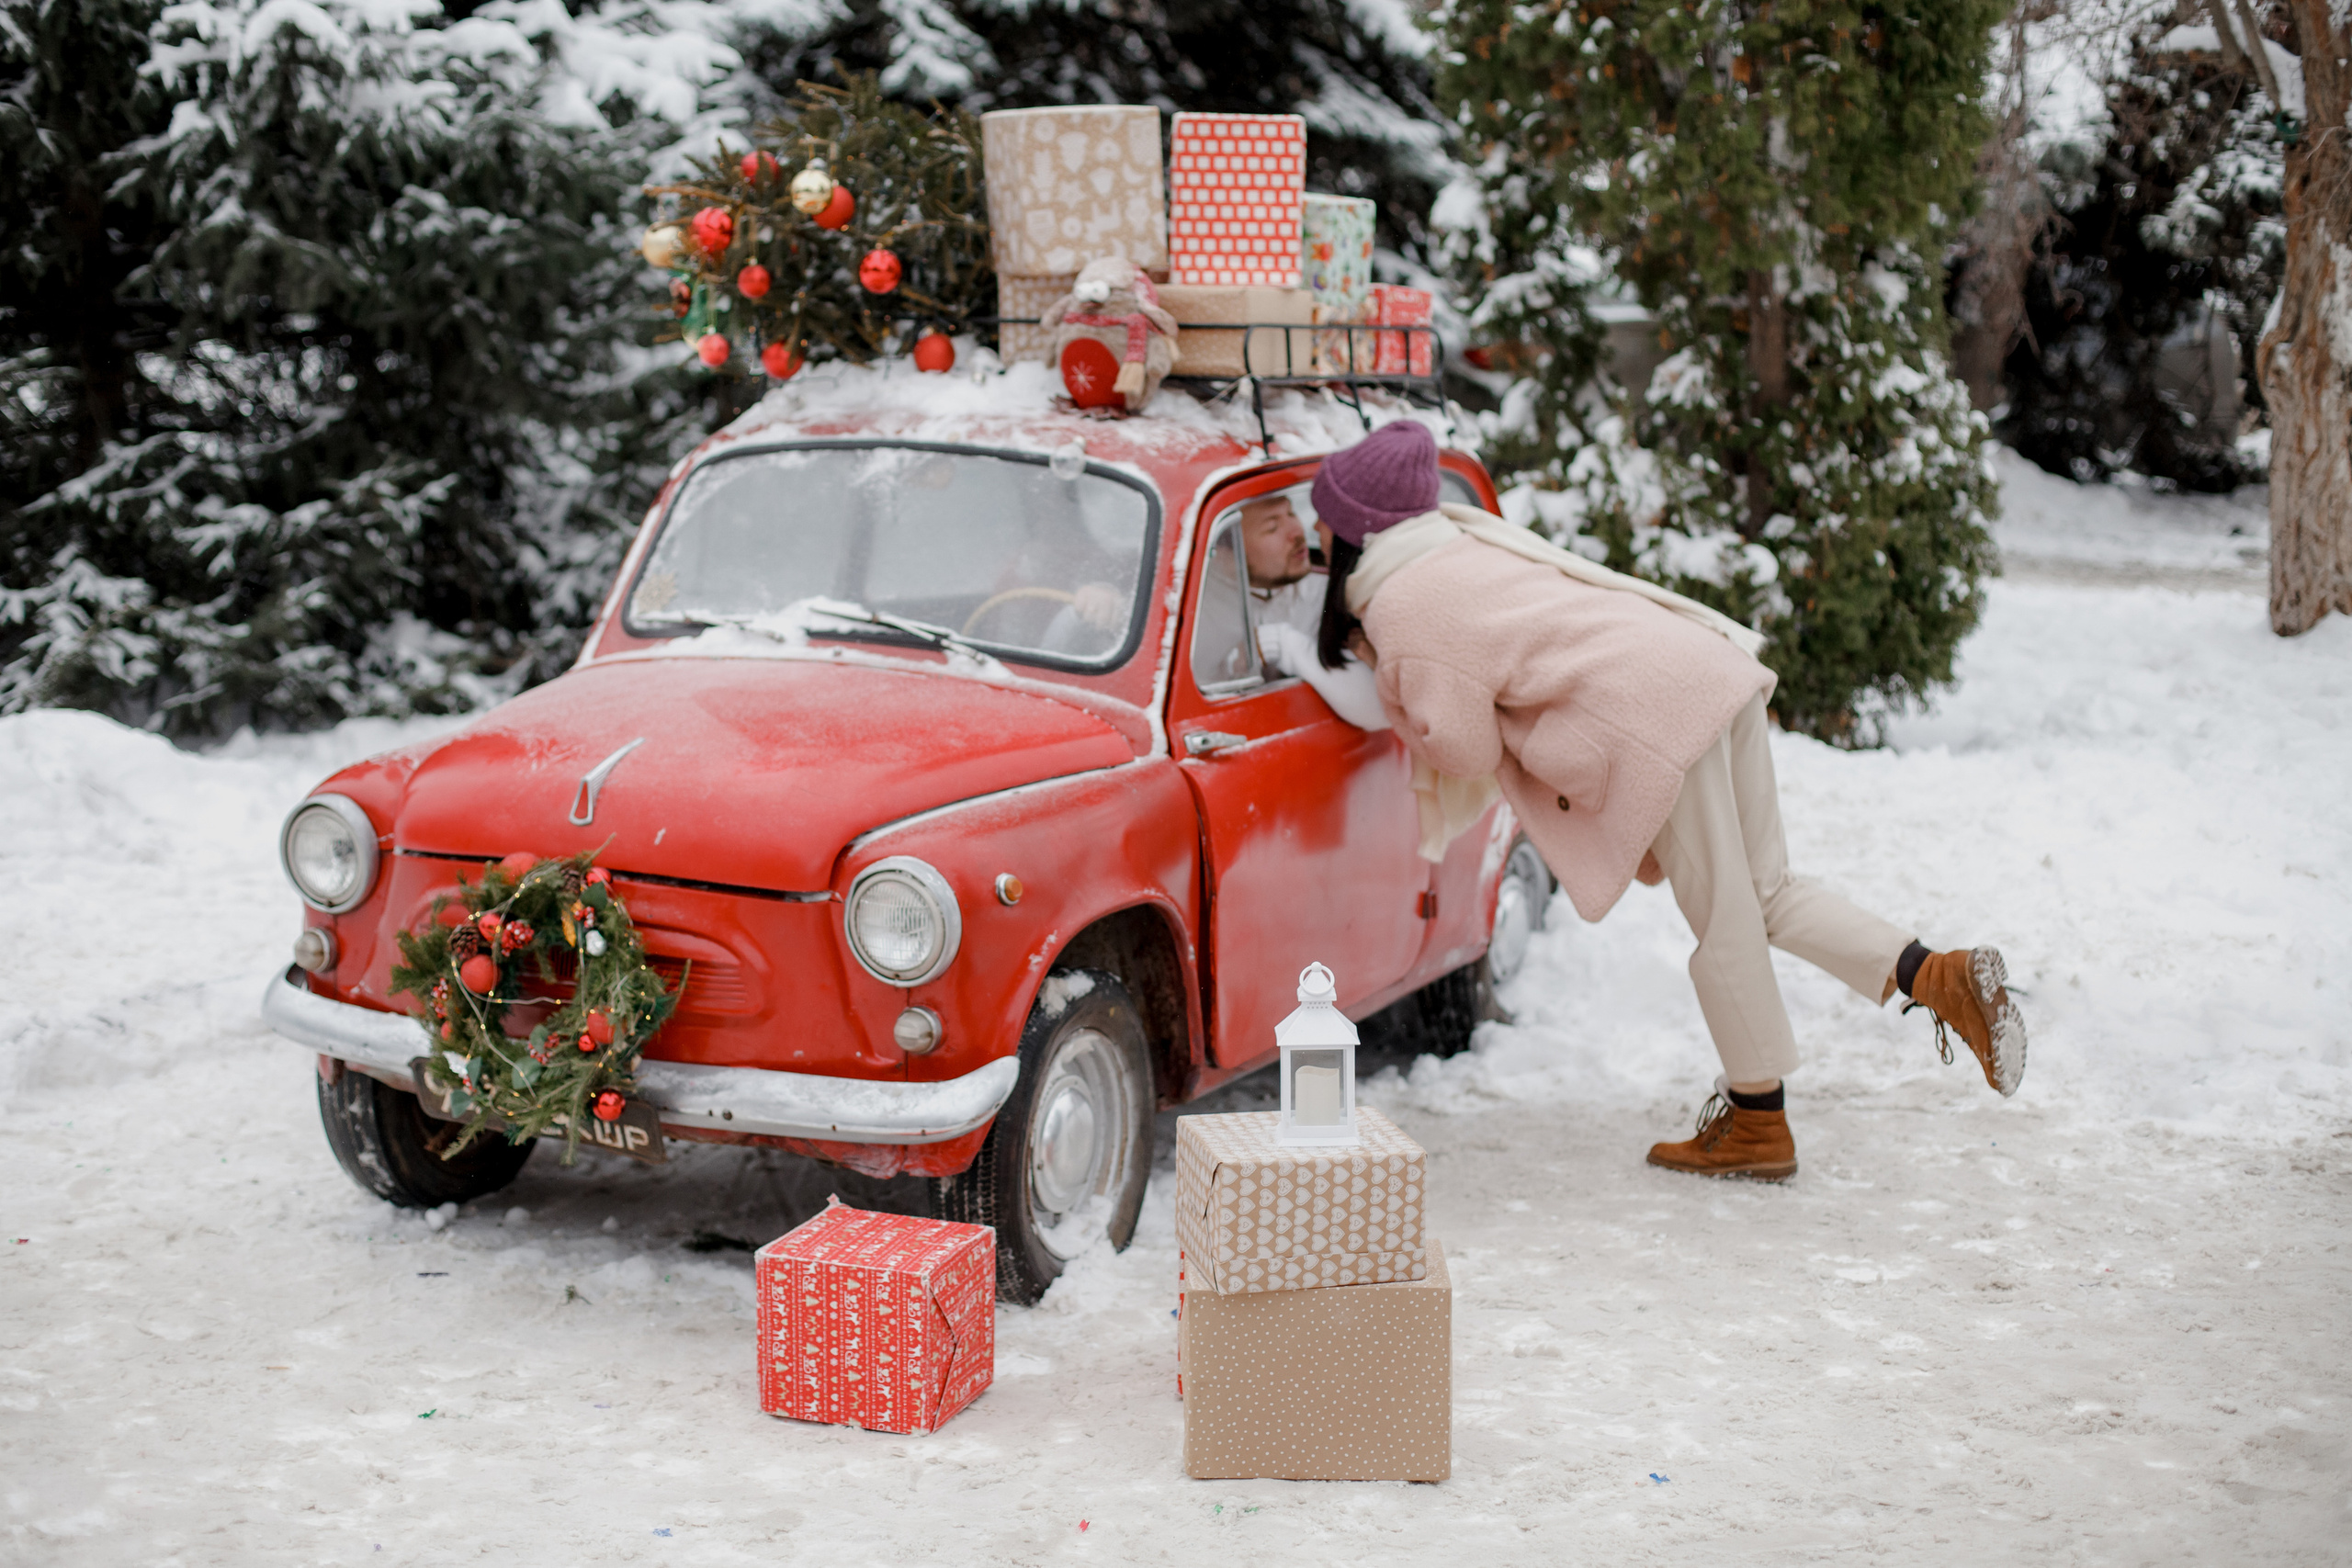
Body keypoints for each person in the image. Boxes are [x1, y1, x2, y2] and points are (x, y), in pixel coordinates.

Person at [1307, 420, 2026, 1180]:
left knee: (1726, 919)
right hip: (1705, 671)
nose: (1311, 526)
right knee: (1765, 893)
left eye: (1320, 511)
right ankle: (1936, 975)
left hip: (1659, 721)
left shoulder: (1401, 604)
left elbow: (1466, 751)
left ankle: (1758, 1123)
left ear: (1357, 527)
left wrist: (1391, 684)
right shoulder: (1454, 546)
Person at [1192, 491, 1387, 729]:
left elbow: (1380, 713)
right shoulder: (1191, 612)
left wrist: (1283, 644)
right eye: (1272, 528)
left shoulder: (1331, 592)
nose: (1297, 532)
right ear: (1227, 556)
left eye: (1292, 513)